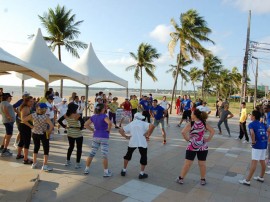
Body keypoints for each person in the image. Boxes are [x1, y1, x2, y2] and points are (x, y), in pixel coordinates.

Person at [175, 109, 215, 185]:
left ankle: (181, 178)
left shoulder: (191, 124)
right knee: (202, 164)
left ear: (195, 115)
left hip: (192, 146)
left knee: (187, 164)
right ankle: (203, 180)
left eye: (192, 114)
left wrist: (187, 139)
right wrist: (208, 139)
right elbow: (212, 131)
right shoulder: (203, 123)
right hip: (203, 146)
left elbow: (183, 132)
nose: (191, 115)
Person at [119, 112, 155, 179]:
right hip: (142, 142)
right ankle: (141, 173)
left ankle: (124, 170)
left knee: (128, 155)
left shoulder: (131, 124)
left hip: (133, 142)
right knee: (143, 156)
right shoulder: (143, 123)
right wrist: (147, 133)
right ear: (140, 118)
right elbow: (152, 126)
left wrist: (126, 137)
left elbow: (120, 130)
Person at [239, 110, 270, 185]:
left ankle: (247, 180)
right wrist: (267, 140)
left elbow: (252, 133)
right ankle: (261, 177)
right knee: (262, 160)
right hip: (264, 144)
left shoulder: (251, 124)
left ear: (254, 116)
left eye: (251, 115)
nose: (250, 116)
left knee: (254, 162)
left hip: (257, 145)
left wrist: (253, 141)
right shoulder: (262, 123)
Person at [84, 103, 112, 176]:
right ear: (102, 109)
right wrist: (108, 129)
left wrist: (92, 130)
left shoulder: (93, 117)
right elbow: (110, 123)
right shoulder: (104, 116)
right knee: (104, 155)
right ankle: (106, 172)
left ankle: (86, 169)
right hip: (104, 137)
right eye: (104, 108)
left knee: (92, 153)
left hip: (96, 136)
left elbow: (85, 124)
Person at [23, 103, 54, 171]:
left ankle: (34, 163)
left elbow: (24, 120)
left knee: (36, 147)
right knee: (46, 149)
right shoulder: (46, 117)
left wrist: (31, 126)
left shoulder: (33, 115)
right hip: (43, 134)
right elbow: (51, 126)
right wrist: (48, 132)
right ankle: (45, 165)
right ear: (44, 109)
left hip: (35, 133)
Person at [58, 102, 84, 169]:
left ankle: (68, 161)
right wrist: (81, 128)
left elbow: (59, 121)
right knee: (79, 149)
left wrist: (64, 126)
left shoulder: (66, 115)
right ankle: (77, 164)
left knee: (71, 147)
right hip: (78, 133)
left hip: (70, 133)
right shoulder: (77, 115)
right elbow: (82, 122)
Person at [17, 96, 34, 164]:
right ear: (26, 101)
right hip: (25, 126)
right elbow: (23, 120)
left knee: (21, 141)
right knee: (26, 143)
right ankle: (25, 159)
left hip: (23, 126)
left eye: (32, 101)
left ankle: (19, 155)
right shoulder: (25, 108)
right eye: (30, 101)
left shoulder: (26, 107)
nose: (32, 102)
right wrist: (31, 126)